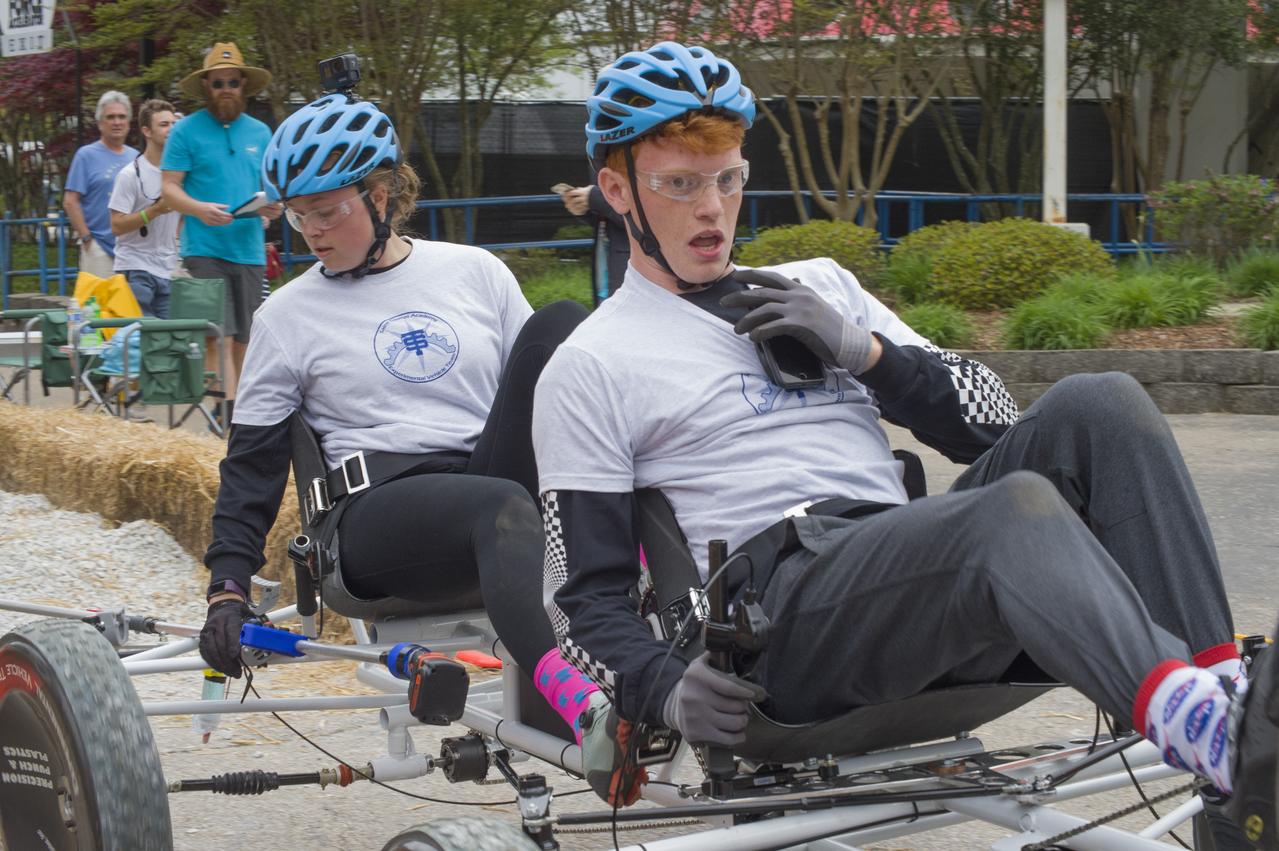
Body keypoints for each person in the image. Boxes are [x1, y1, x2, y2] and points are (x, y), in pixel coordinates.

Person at [531, 41, 1278, 834]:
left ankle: (1231, 729)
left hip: (909, 569)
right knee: (1012, 511)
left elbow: (994, 422)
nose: (712, 207)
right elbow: (578, 604)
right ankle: (1215, 732)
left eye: (728, 178)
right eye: (679, 184)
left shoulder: (820, 284)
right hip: (779, 624)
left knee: (1103, 402)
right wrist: (661, 687)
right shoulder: (590, 364)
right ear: (616, 191)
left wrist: (870, 354)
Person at [190, 91, 640, 801]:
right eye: (297, 212)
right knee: (497, 506)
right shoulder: (287, 313)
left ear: (383, 193)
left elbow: (558, 394)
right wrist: (227, 586)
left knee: (559, 324)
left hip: (487, 484)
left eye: (327, 208)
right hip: (374, 522)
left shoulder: (474, 271)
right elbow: (250, 468)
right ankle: (582, 705)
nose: (309, 228)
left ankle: (654, 613)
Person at [161, 42, 282, 423]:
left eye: (232, 82)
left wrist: (273, 206)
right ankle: (229, 415)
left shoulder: (261, 132)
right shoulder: (185, 130)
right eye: (218, 83)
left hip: (249, 247)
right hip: (204, 246)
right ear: (206, 87)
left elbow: (272, 187)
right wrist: (199, 209)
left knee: (246, 336)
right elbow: (168, 189)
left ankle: (239, 411)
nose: (226, 88)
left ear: (243, 85)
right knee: (221, 333)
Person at [109, 99, 180, 317]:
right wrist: (154, 211)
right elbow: (116, 225)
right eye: (164, 125)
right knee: (139, 341)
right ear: (146, 131)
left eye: (173, 124)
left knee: (167, 343)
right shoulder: (129, 175)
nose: (171, 130)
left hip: (168, 269)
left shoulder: (180, 174)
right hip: (135, 268)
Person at [64, 91, 138, 279]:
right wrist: (87, 238)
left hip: (132, 249)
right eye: (110, 117)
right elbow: (70, 201)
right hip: (99, 248)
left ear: (129, 122)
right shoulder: (86, 155)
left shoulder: (136, 157)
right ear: (100, 123)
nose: (117, 122)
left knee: (131, 306)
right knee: (98, 307)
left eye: (122, 117)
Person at [555, 181, 629, 304]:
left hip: (629, 274)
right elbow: (609, 221)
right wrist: (584, 209)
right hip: (606, 268)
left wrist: (595, 198)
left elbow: (641, 217)